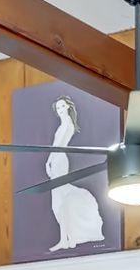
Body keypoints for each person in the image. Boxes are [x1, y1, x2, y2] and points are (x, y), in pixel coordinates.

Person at [43, 96, 106, 251]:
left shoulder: (67, 124)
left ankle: (65, 239)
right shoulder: (63, 124)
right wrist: (50, 160)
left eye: (62, 106)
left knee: (59, 200)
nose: (60, 110)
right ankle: (66, 239)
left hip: (59, 160)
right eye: (58, 108)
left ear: (68, 107)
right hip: (56, 160)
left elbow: (58, 146)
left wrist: (48, 161)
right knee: (58, 201)